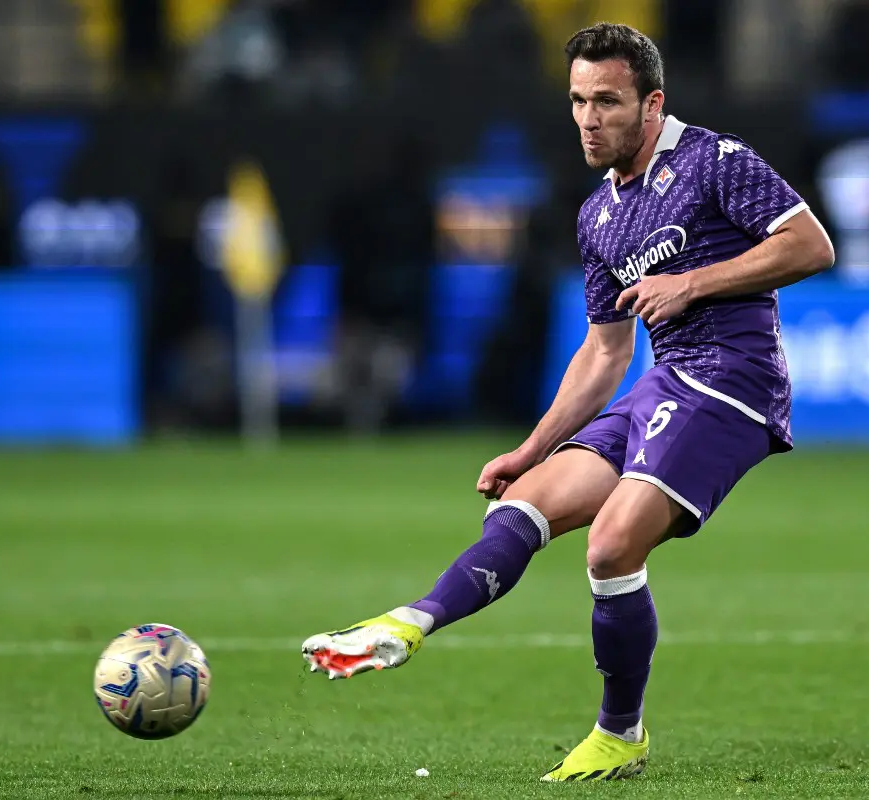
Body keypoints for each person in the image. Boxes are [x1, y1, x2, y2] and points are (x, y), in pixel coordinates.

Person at [302, 22, 834, 782]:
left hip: (733, 381)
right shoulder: (598, 216)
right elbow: (605, 352)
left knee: (611, 546)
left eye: (608, 101)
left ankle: (620, 734)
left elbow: (812, 244)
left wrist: (691, 283)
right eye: (579, 101)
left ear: (653, 104)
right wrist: (532, 447)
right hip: (665, 380)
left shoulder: (716, 160)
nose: (589, 119)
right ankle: (407, 624)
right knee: (525, 503)